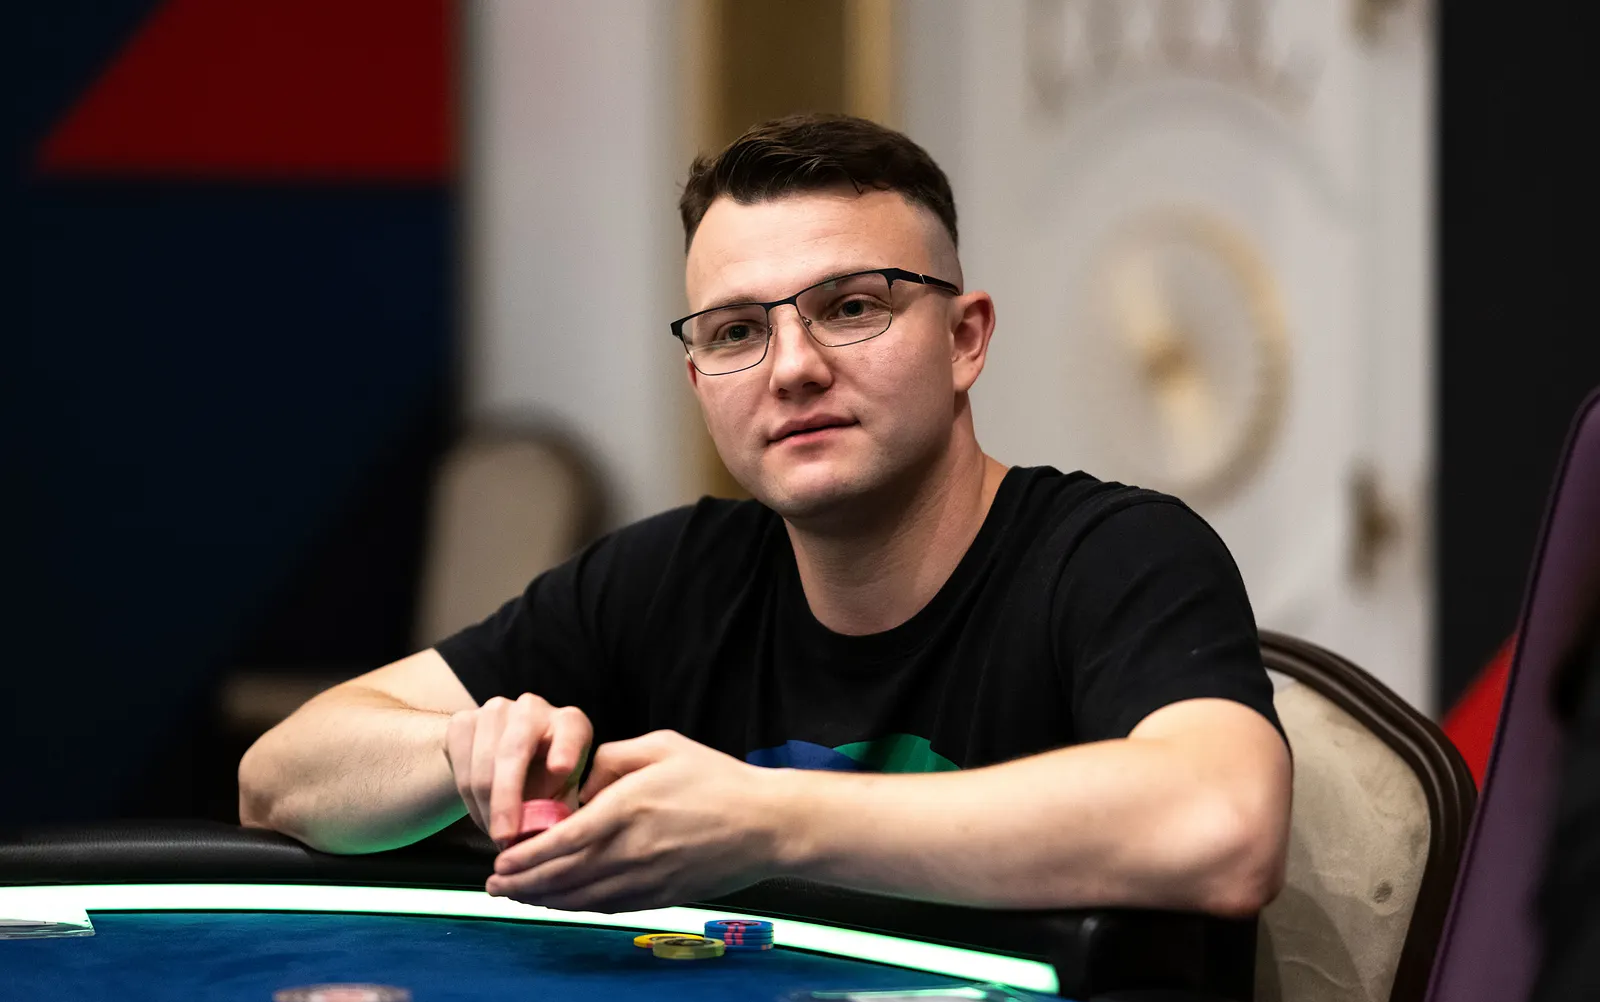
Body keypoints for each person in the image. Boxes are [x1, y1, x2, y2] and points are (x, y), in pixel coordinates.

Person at [239, 114, 1292, 917]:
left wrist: (764, 819)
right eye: (737, 330)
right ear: (699, 377)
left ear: (964, 339)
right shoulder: (671, 576)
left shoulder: (1115, 554)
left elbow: (1224, 826)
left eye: (852, 306)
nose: (793, 368)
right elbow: (279, 777)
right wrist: (467, 752)